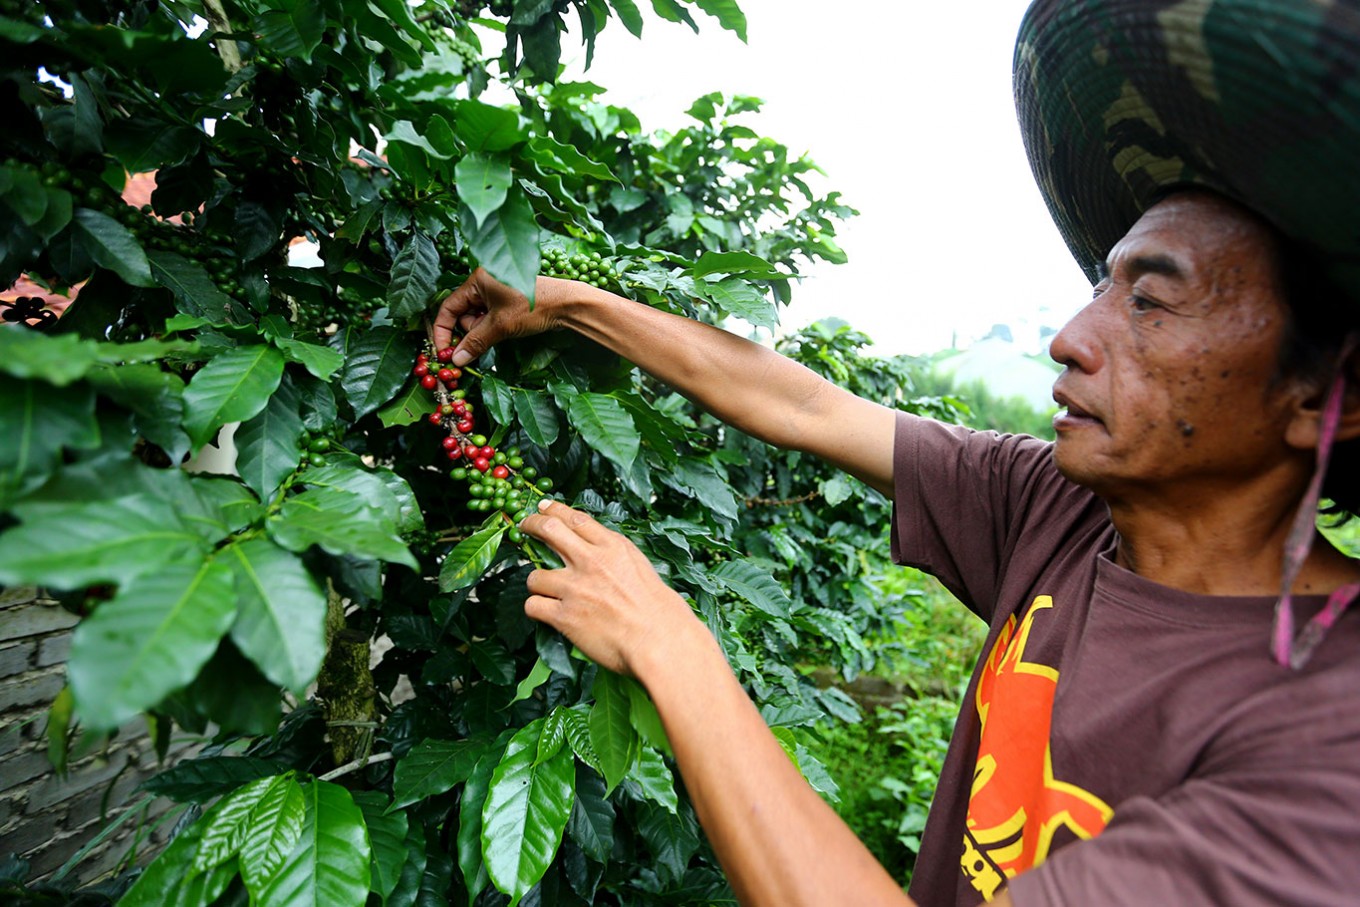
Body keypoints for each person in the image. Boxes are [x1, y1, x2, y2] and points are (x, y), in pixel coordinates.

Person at [434, 0, 1360, 903]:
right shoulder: (1059, 509)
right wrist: (566, 304)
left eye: (1152, 303)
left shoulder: (1328, 749)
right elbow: (796, 401)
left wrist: (671, 645)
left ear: (1325, 398)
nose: (1072, 337)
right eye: (1101, 287)